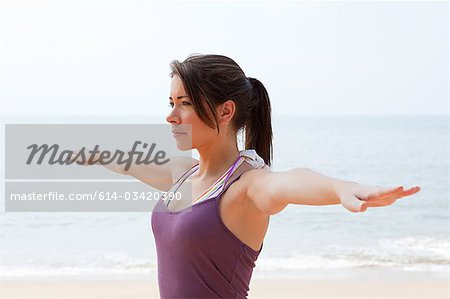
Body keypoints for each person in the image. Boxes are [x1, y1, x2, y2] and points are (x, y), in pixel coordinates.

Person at [72, 53, 421, 298]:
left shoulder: (247, 186)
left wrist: (343, 187)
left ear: (225, 111)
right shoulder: (183, 175)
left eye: (185, 103)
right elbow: (125, 160)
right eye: (170, 103)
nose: (171, 115)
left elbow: (288, 182)